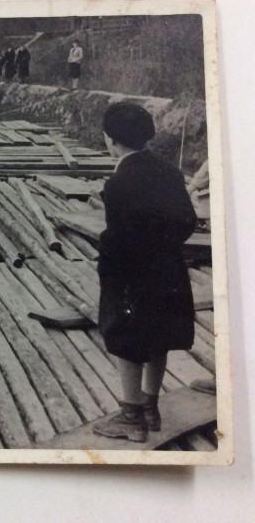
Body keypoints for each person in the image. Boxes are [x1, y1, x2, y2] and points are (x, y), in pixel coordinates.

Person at [92, 103, 197, 443]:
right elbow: (187, 221)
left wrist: (106, 264)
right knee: (158, 335)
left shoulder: (119, 182)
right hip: (167, 270)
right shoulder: (169, 173)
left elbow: (118, 237)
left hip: (130, 276)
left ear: (111, 140)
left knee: (126, 340)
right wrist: (163, 247)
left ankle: (131, 417)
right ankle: (151, 407)